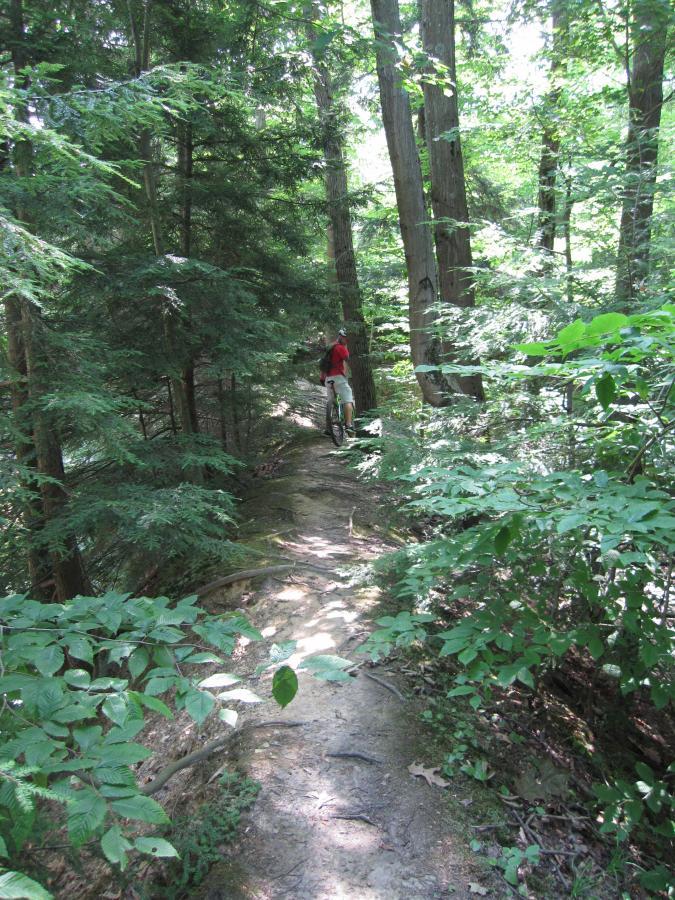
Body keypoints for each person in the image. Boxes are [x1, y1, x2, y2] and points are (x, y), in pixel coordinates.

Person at [322, 327, 355, 437]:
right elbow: (348, 358)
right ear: (341, 337)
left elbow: (324, 364)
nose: (347, 340)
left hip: (328, 378)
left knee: (331, 401)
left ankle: (328, 428)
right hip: (338, 378)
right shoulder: (340, 347)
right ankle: (349, 424)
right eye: (346, 338)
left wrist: (322, 378)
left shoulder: (330, 347)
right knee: (348, 399)